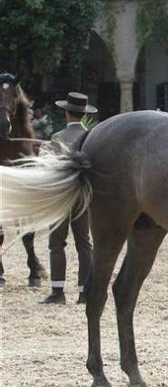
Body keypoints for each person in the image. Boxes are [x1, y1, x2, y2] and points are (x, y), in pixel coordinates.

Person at [41, 92, 97, 305]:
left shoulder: (57, 138)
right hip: (83, 198)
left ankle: (58, 292)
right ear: (83, 114)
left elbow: (47, 168)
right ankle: (84, 292)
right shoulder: (92, 137)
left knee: (57, 243)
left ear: (66, 113)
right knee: (84, 244)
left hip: (61, 198)